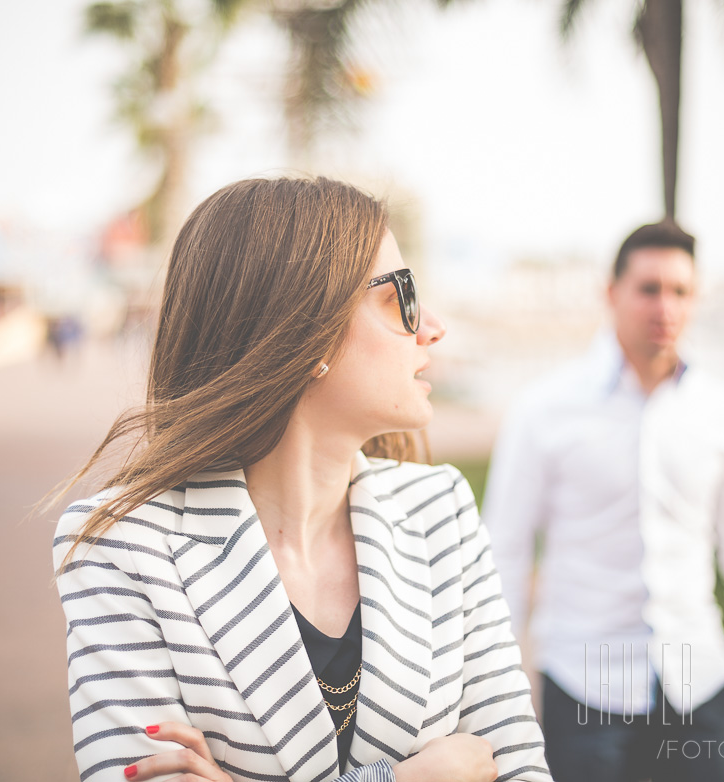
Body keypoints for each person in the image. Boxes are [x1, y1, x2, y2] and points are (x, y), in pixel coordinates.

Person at [52, 177, 551, 782]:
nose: (434, 328)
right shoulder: (123, 547)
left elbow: (519, 768)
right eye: (402, 297)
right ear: (308, 327)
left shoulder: (439, 511)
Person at [482, 221, 724, 782]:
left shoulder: (723, 413)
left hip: (700, 680)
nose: (666, 305)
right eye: (649, 288)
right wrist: (493, 690)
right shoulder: (543, 410)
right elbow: (503, 553)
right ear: (611, 294)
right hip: (583, 686)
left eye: (680, 291)